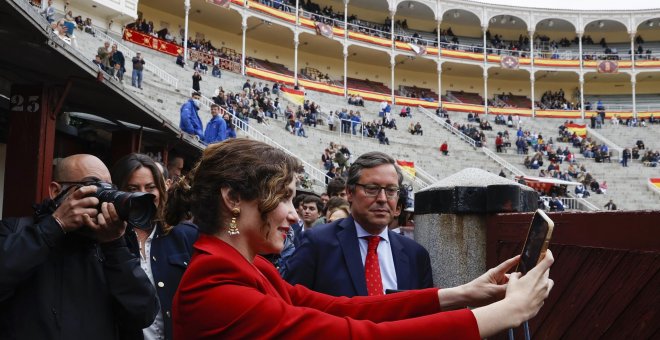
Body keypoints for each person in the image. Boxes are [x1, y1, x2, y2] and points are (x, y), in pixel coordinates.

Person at [172, 139, 555, 339]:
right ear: (233, 199)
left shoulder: (246, 267)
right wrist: (504, 313)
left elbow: (345, 309)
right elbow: (354, 334)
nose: (293, 212)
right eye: (284, 196)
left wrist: (464, 293)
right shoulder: (216, 287)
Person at [0, 154, 159, 339]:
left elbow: (143, 315)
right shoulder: (14, 230)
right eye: (92, 186)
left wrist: (114, 246)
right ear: (55, 190)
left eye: (108, 188)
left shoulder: (116, 243)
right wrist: (54, 226)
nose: (102, 196)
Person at [283, 152, 435, 297]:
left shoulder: (416, 255)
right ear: (350, 192)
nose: (383, 198)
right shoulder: (317, 244)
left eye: (390, 190)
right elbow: (291, 305)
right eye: (372, 189)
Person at [111, 154, 198, 340]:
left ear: (161, 189)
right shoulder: (108, 241)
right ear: (118, 192)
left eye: (150, 187)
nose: (144, 194)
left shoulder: (184, 236)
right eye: (133, 188)